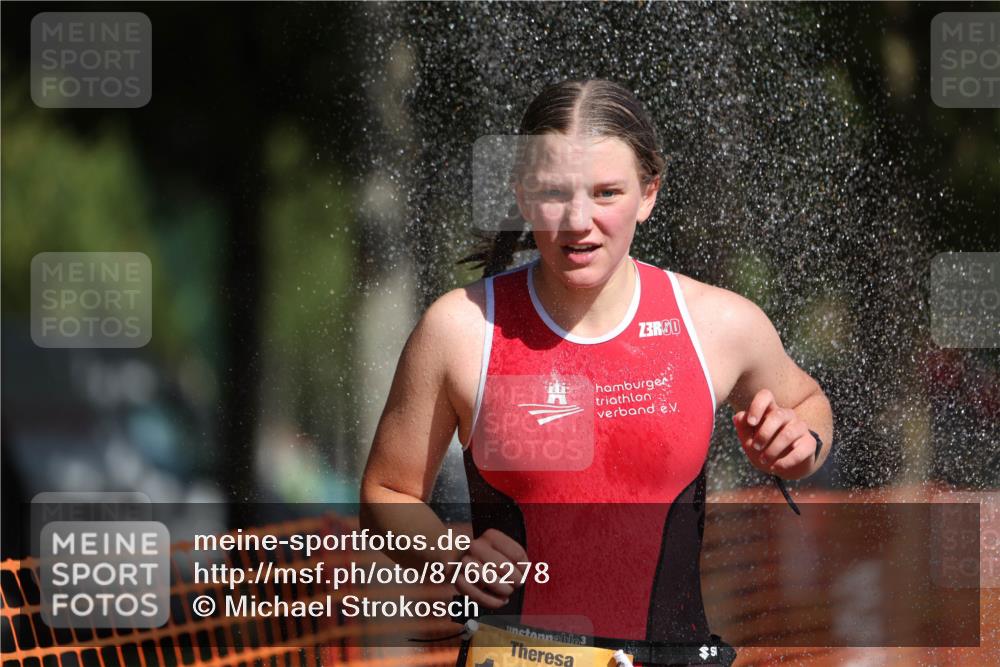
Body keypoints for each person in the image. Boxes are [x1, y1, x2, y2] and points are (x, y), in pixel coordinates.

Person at [360, 79, 834, 666]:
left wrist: (801, 444)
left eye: (607, 192)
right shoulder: (460, 330)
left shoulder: (718, 323)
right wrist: (452, 558)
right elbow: (385, 492)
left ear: (649, 194)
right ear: (522, 196)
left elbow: (807, 403)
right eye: (554, 194)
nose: (579, 222)